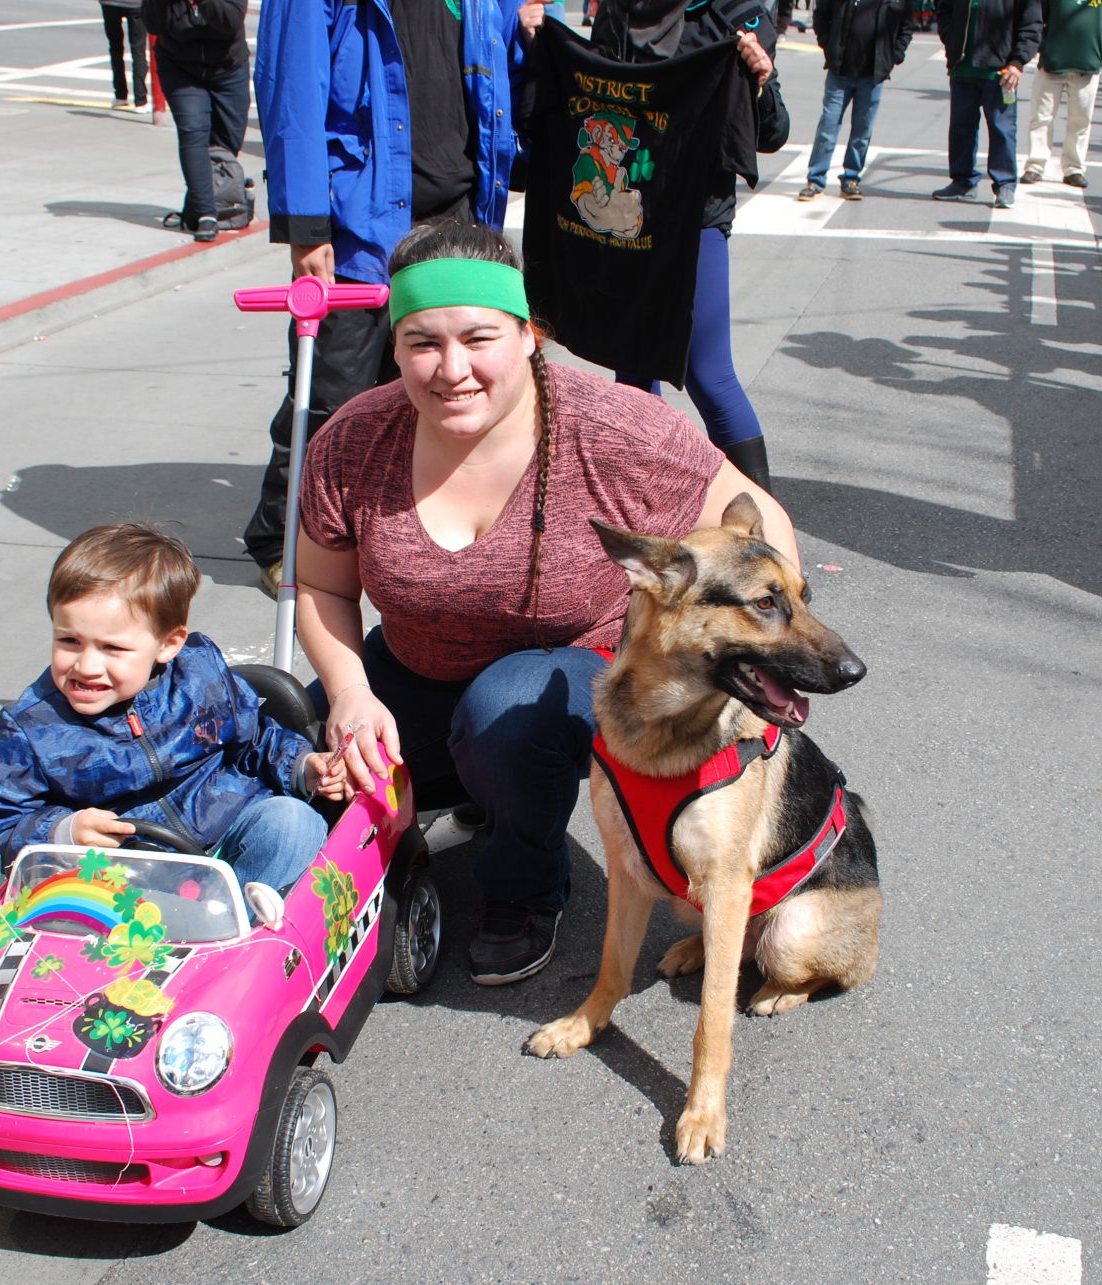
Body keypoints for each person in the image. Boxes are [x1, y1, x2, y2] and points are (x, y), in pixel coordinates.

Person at [295, 222, 799, 986]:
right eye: (422, 342)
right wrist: (351, 695)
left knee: (509, 710)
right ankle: (439, 815)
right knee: (284, 747)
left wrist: (748, 669)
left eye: (478, 337)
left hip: (568, 684)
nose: (451, 369)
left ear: (530, 333)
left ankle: (526, 890)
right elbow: (323, 586)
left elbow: (759, 521)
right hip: (417, 674)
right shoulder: (353, 439)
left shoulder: (616, 430)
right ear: (393, 347)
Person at [242, 0, 543, 599]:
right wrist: (306, 227)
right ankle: (284, 537)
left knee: (454, 390)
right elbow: (291, 89)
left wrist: (532, 37)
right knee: (333, 393)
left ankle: (414, 531)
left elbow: (502, 72)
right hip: (358, 225)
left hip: (459, 217)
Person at [0, 525, 344, 898]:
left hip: (228, 831)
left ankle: (238, 930)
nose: (85, 665)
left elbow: (256, 740)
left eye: (112, 648)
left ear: (168, 644)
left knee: (293, 823)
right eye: (69, 641)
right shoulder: (32, 727)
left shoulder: (200, 678)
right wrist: (64, 831)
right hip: (126, 877)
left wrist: (302, 767)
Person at [593, 0, 790, 492]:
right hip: (631, 213)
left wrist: (761, 80)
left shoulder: (738, 12)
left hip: (699, 213)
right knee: (634, 369)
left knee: (709, 374)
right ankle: (641, 511)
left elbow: (773, 133)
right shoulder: (619, 11)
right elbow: (594, 101)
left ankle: (766, 524)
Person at [140, 0, 248, 242]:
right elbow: (154, 23)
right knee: (193, 130)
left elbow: (230, 20)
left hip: (228, 66)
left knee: (227, 141)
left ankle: (206, 198)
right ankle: (206, 213)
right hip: (180, 66)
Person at [796, 0, 915, 203]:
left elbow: (906, 26)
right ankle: (815, 180)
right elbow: (821, 15)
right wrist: (828, 45)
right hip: (839, 71)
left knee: (862, 130)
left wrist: (894, 56)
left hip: (873, 75)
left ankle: (851, 178)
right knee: (828, 125)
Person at [931, 0, 1043, 209]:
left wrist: (1017, 62)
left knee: (1002, 129)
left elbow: (1031, 23)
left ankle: (1005, 184)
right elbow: (943, 8)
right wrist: (951, 39)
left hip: (1000, 70)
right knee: (961, 128)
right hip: (962, 66)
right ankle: (962, 181)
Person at [1022, 0, 1102, 188]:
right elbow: (1035, 15)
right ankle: (1036, 165)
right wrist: (1042, 46)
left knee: (1080, 121)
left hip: (1087, 65)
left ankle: (1074, 168)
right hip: (1052, 62)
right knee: (1041, 117)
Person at [100, 0, 148, 109]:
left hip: (110, 4)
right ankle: (140, 100)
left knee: (115, 48)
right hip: (136, 4)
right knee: (138, 51)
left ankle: (120, 96)